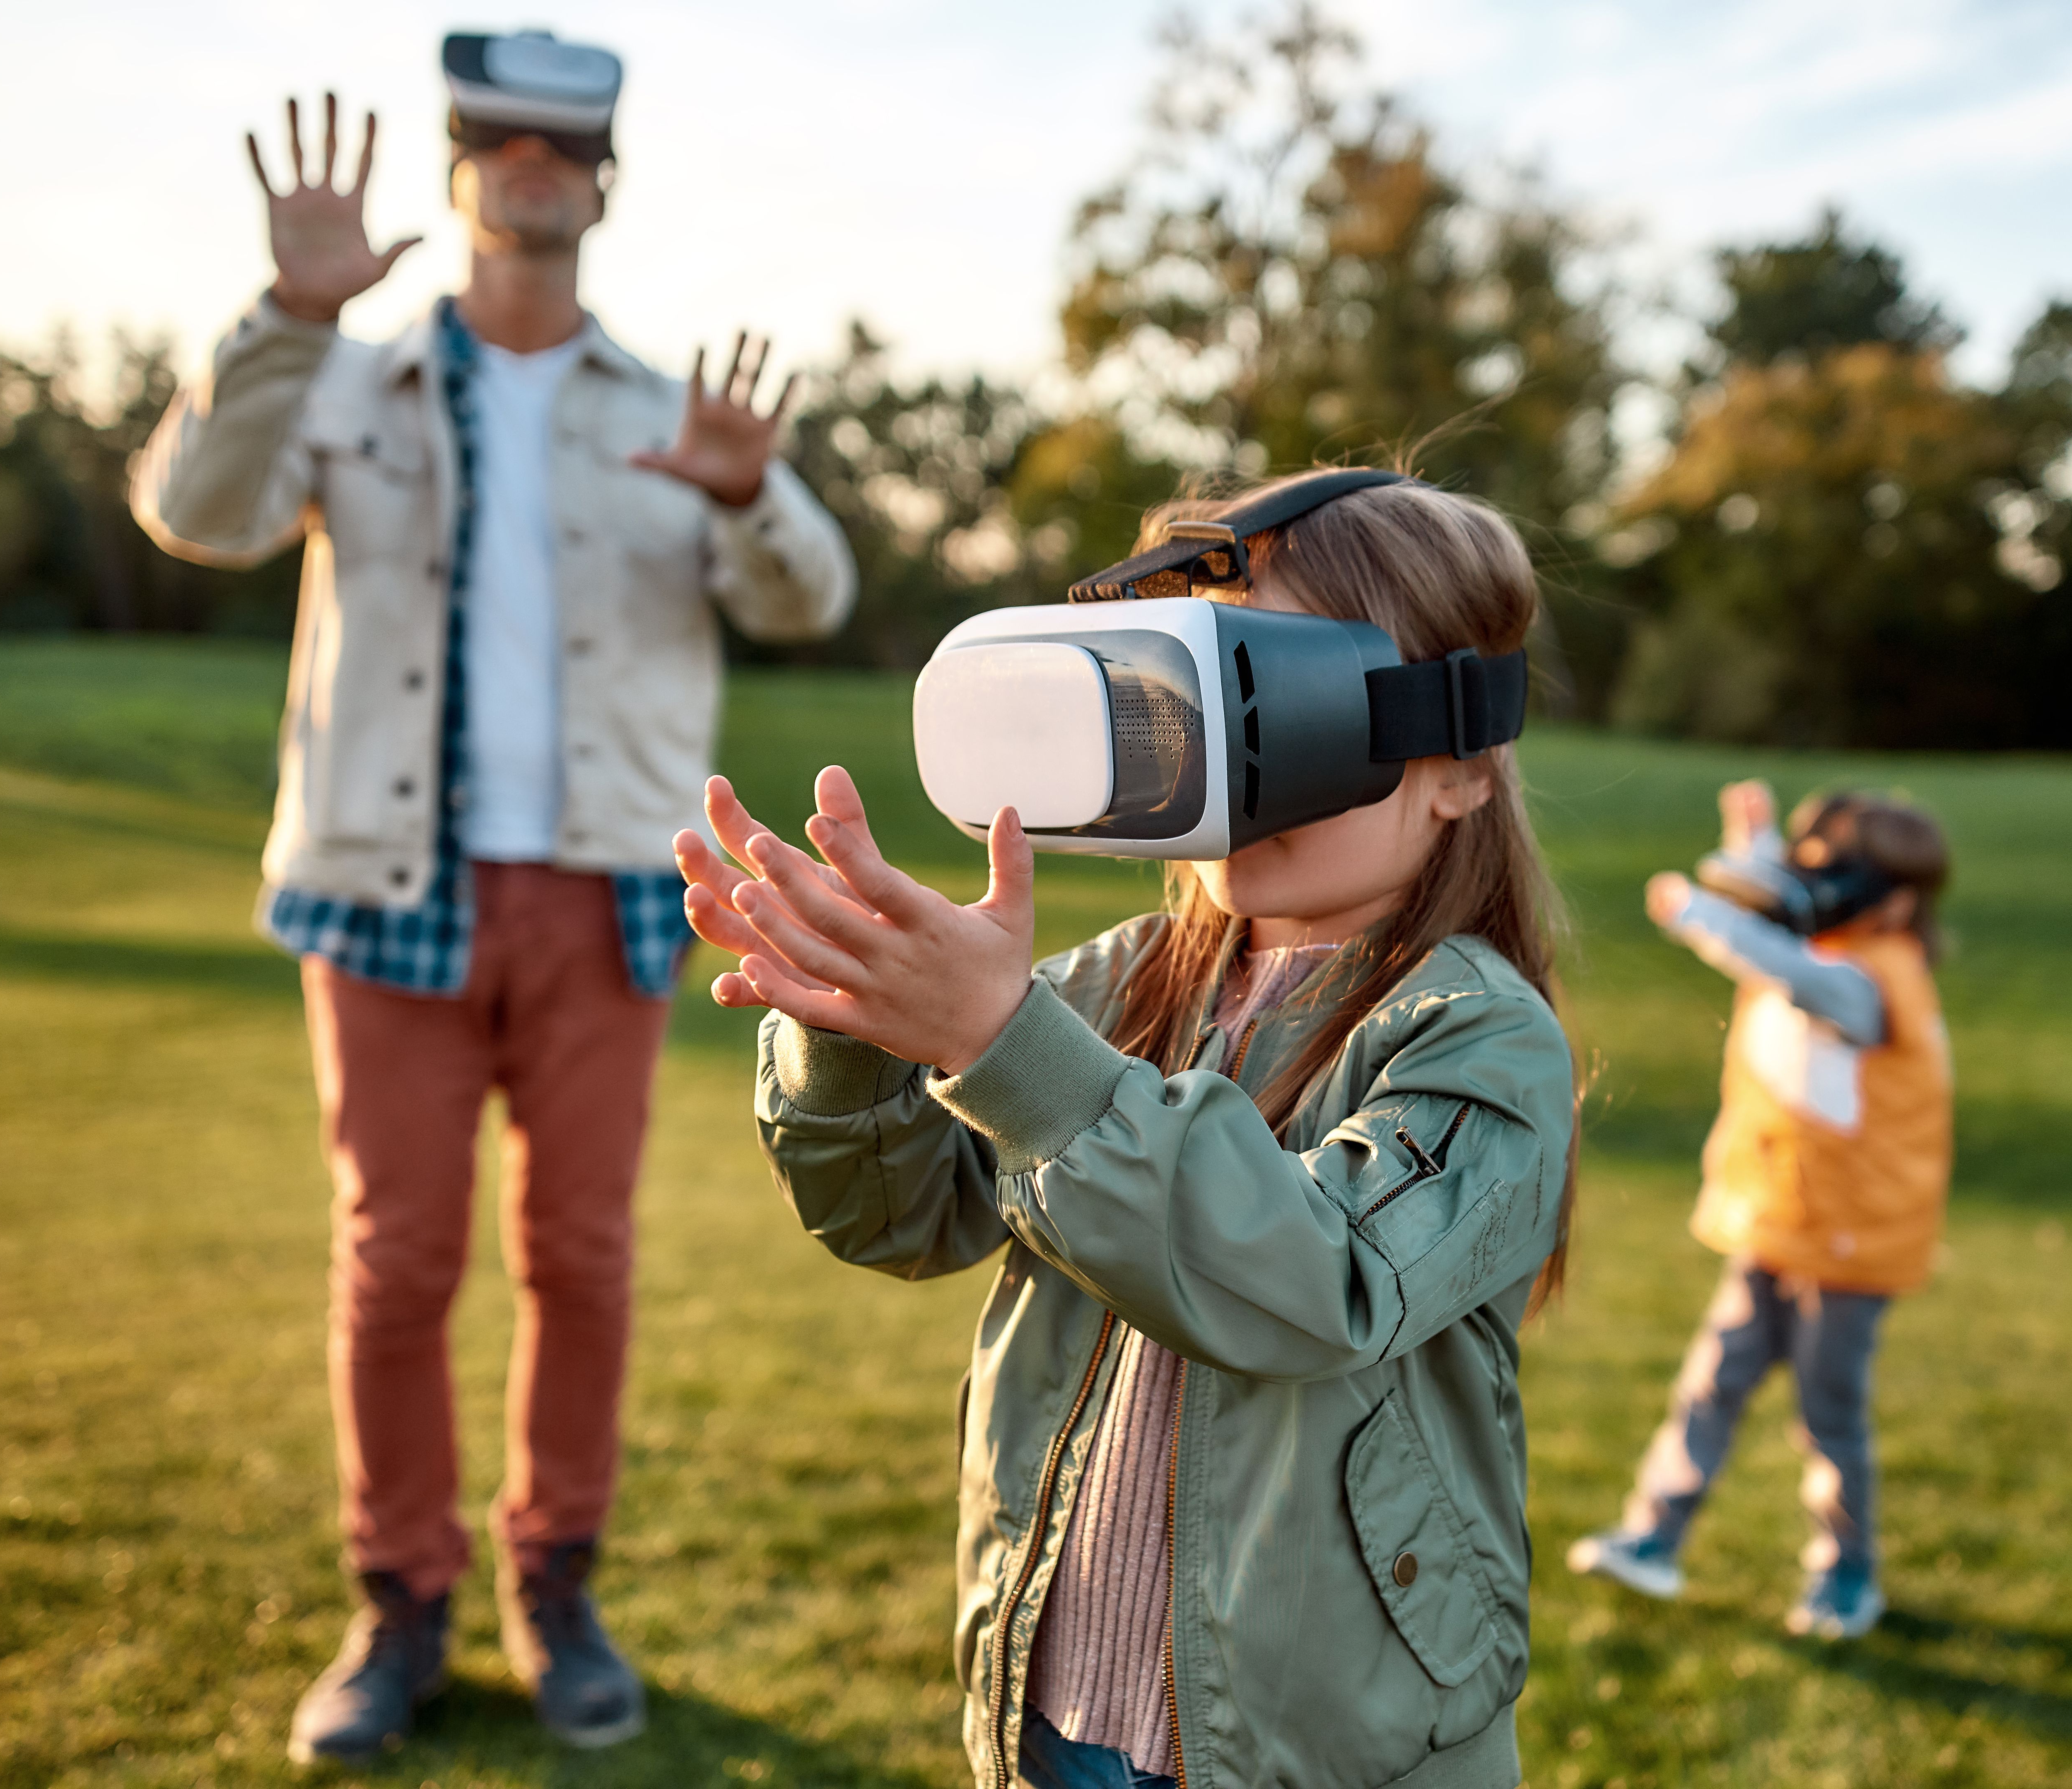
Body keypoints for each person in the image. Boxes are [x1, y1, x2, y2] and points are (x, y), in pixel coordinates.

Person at [130, 31, 857, 1763]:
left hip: (604, 888)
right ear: (460, 167)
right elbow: (191, 512)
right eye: (498, 134)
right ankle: (397, 1606)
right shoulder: (341, 384)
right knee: (393, 1266)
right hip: (387, 890)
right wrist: (286, 318)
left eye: (564, 141)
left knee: (583, 1259)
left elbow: (808, 598)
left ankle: (558, 1587)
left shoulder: (666, 410)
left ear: (602, 181)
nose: (531, 161)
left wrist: (749, 494)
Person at [677, 473, 1578, 1789]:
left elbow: (1317, 1285)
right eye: (1182, 701)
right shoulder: (1119, 984)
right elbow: (904, 1216)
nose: (1221, 755)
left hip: (1322, 1750)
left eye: (1269, 693)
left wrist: (1008, 1049)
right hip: (1057, 1710)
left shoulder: (1476, 1035)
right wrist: (854, 1020)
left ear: (1457, 765)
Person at [1566, 781, 1952, 1640]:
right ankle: (1653, 1538)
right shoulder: (1838, 947)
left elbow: (1777, 959)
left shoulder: (1870, 982)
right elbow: (1778, 904)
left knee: (1829, 1413)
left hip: (1851, 1245)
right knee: (1712, 1384)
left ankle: (1847, 1575)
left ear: (1892, 900)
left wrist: (1699, 915)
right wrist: (1753, 841)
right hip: (1781, 1219)